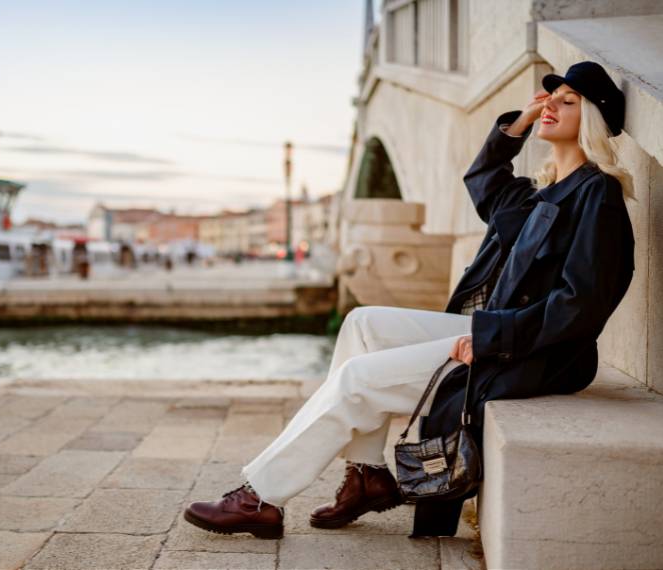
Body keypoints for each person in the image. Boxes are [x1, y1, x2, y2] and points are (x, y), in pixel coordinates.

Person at [183, 60, 635, 540]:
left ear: (591, 120)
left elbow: (581, 304)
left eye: (568, 102)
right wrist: (517, 123)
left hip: (535, 352)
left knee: (358, 380)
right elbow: (483, 178)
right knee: (362, 324)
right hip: (498, 329)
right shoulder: (536, 194)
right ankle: (365, 476)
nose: (551, 107)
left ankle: (260, 497)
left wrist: (492, 337)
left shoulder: (596, 195)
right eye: (550, 97)